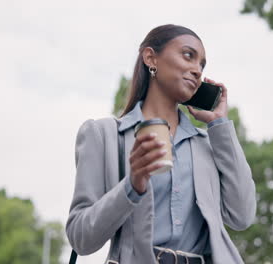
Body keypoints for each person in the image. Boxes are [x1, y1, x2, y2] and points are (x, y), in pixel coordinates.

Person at [66, 24, 256, 264]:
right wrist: (131, 186)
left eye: (202, 65)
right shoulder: (103, 134)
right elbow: (80, 238)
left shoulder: (209, 144)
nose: (197, 70)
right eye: (189, 55)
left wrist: (220, 126)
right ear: (150, 57)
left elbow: (242, 216)